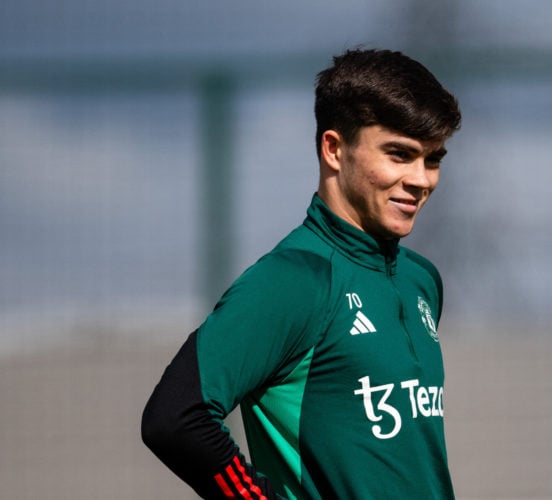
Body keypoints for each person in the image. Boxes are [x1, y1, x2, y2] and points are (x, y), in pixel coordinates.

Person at [141, 47, 462, 500]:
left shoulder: (420, 280)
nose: (421, 179)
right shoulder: (294, 280)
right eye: (399, 154)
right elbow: (176, 417)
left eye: (433, 160)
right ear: (334, 149)